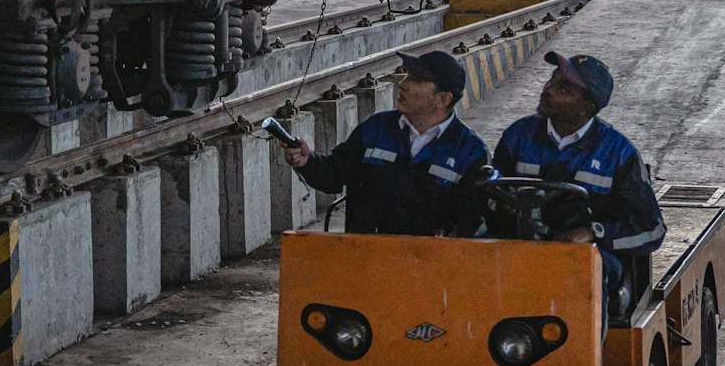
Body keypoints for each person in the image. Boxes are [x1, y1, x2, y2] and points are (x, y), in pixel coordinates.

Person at [493, 50, 665, 322]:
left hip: (586, 261)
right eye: (552, 79)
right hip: (522, 248)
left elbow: (651, 230)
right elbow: (490, 189)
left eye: (563, 88)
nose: (548, 89)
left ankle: (588, 357)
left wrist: (594, 232)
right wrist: (501, 203)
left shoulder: (617, 153)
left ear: (586, 107)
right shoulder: (518, 135)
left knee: (585, 271)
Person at [281, 50, 489, 236]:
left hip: (430, 268)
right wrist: (307, 161)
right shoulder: (376, 129)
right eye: (407, 74)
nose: (403, 83)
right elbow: (334, 175)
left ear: (443, 100)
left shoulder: (471, 152)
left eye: (416, 80)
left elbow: (472, 225)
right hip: (366, 260)